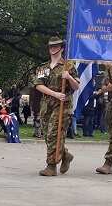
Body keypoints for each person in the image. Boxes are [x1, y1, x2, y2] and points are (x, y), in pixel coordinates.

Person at [34, 36, 80, 176]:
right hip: (47, 104)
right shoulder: (44, 67)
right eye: (50, 46)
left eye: (56, 46)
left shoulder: (68, 66)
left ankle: (51, 165)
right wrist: (54, 94)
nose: (52, 48)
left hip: (62, 105)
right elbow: (38, 85)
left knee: (55, 133)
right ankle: (65, 155)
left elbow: (76, 86)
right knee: (48, 135)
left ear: (61, 48)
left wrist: (69, 77)